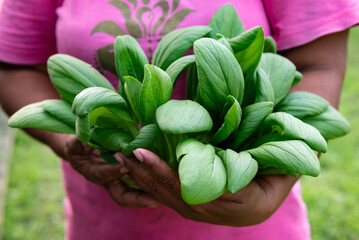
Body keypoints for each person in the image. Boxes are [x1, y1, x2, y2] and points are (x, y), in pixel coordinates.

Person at [0, 0, 358, 239]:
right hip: (106, 222)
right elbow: (12, 67)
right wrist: (70, 143)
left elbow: (316, 66)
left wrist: (275, 182)